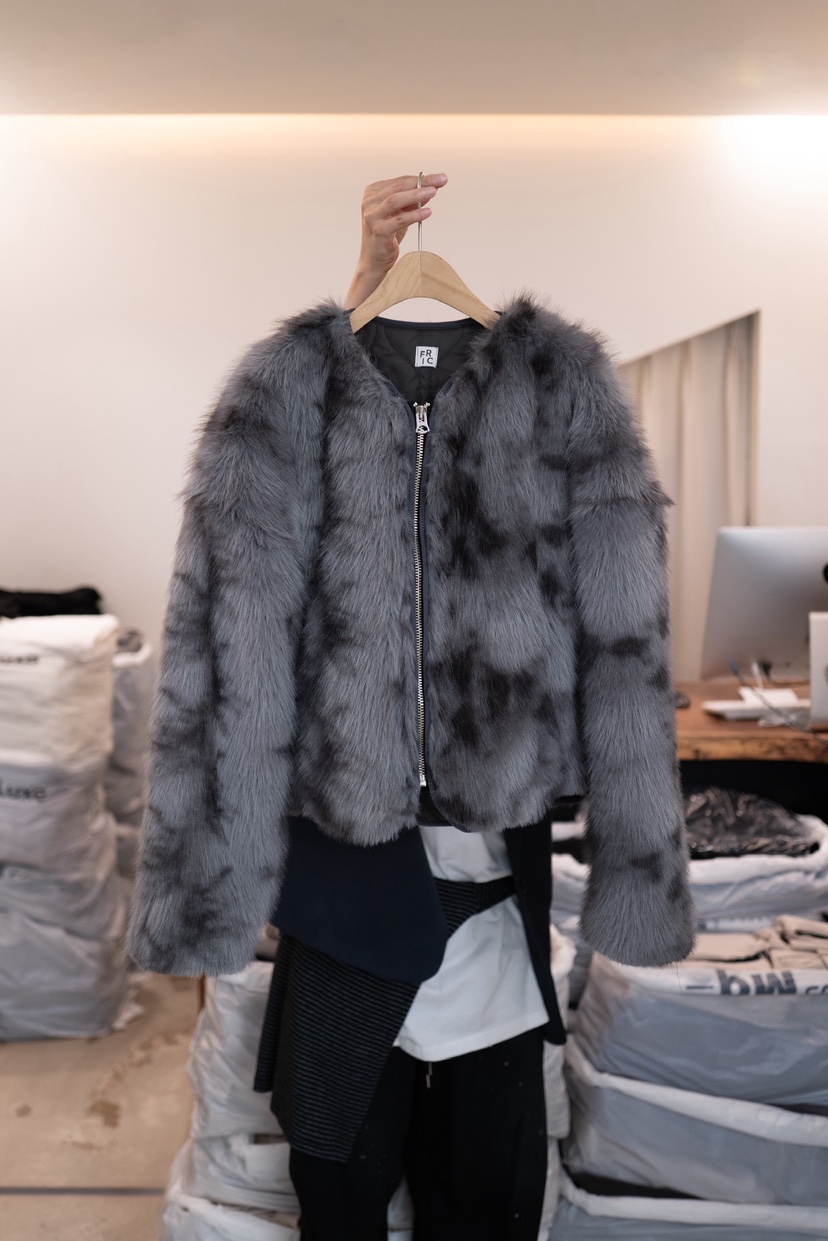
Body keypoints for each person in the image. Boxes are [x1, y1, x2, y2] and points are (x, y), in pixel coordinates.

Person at [252, 173, 569, 1241]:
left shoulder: (536, 461)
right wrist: (365, 291)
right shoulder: (315, 489)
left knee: (486, 1203)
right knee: (339, 1199)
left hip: (495, 939)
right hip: (349, 920)